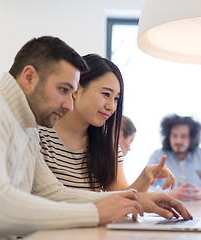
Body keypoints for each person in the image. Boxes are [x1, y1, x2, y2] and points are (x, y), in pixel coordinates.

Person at [0, 36, 192, 240]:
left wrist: (133, 200)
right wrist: (95, 213)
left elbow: (52, 192)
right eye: (63, 90)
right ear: (29, 77)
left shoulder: (28, 126)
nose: (69, 105)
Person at [40, 54, 174, 193]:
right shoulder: (40, 136)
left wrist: (146, 176)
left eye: (116, 98)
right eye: (106, 94)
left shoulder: (108, 145)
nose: (111, 106)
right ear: (77, 88)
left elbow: (121, 198)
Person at [147, 114, 201, 200]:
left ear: (192, 138)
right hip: (168, 207)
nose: (178, 141)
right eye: (174, 136)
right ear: (168, 136)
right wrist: (169, 193)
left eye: (183, 136)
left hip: (199, 208)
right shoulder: (158, 156)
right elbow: (146, 189)